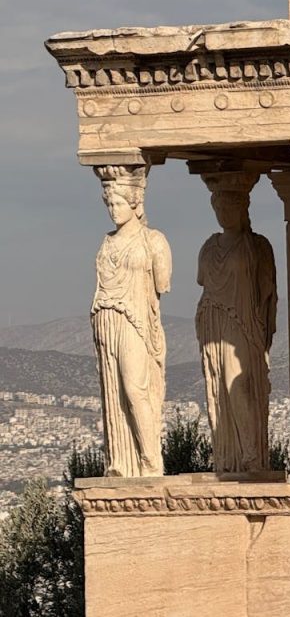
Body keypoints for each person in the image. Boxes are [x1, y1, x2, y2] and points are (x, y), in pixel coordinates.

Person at [91, 167, 170, 477]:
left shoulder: (153, 240)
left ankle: (151, 461)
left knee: (135, 387)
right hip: (106, 319)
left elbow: (162, 284)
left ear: (135, 203)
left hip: (136, 319)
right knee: (114, 392)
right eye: (109, 204)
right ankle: (123, 462)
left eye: (119, 203)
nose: (113, 210)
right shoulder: (107, 241)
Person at [196, 174, 276, 472]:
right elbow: (203, 281)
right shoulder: (209, 246)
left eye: (230, 207)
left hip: (244, 322)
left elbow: (267, 293)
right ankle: (230, 457)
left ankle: (252, 453)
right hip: (213, 319)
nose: (223, 214)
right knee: (219, 386)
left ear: (244, 208)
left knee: (237, 382)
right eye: (219, 208)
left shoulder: (257, 246)